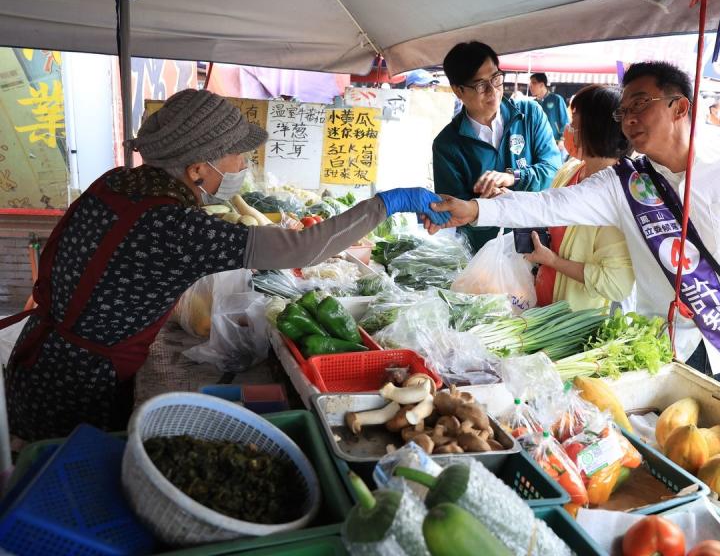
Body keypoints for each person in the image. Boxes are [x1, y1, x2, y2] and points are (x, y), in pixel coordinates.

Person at [0, 89, 448, 441]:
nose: (244, 164)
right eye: (238, 155)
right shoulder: (176, 227)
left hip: (44, 357)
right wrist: (386, 203)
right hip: (76, 386)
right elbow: (302, 248)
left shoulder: (118, 181)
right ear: (198, 170)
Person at [429, 61, 720, 400]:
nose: (629, 118)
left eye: (640, 105)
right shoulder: (626, 185)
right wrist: (476, 208)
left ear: (680, 107)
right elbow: (549, 203)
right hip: (670, 348)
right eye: (623, 111)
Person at [432, 42, 561, 252]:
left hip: (538, 246)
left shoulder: (530, 115)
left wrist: (513, 177)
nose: (493, 91)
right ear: (459, 91)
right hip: (485, 254)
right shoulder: (447, 145)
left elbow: (553, 170)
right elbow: (454, 211)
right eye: (480, 85)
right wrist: (483, 205)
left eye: (496, 79)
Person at [527, 85, 635, 311]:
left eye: (575, 121)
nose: (569, 127)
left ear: (595, 129)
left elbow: (615, 285)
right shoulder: (570, 170)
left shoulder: (617, 198)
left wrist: (554, 262)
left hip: (572, 323)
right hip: (541, 305)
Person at [528, 72, 571, 146]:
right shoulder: (533, 103)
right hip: (537, 142)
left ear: (542, 85)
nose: (530, 86)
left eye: (533, 83)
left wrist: (563, 139)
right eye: (530, 83)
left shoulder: (556, 99)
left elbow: (565, 121)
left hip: (555, 141)